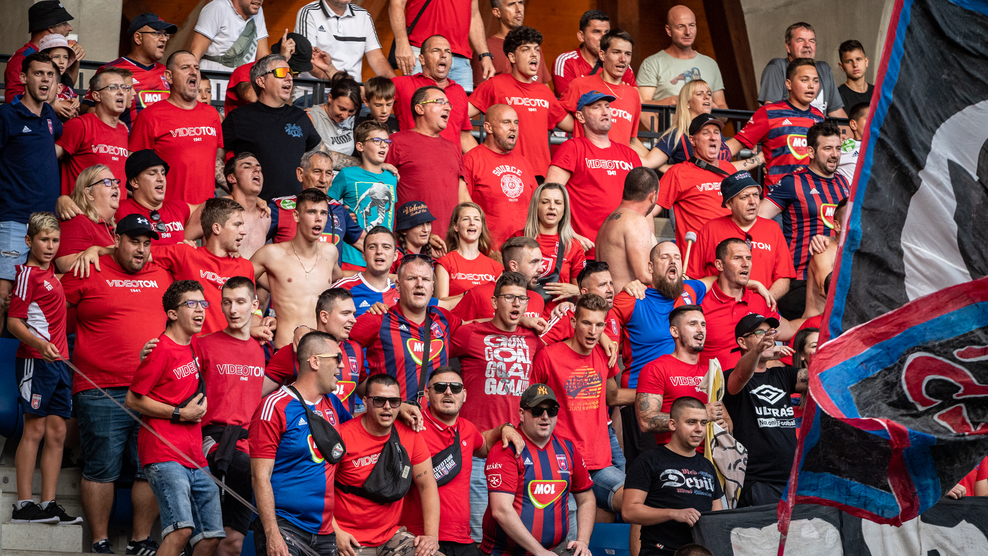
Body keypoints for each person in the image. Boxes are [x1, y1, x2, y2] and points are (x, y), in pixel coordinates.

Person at [62, 214, 171, 554]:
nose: (141, 249)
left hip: (152, 390)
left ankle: (140, 541)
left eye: (146, 243)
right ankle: (100, 541)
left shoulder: (162, 274)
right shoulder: (89, 268)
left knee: (151, 469)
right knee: (101, 469)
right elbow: (49, 304)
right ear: (117, 241)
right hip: (100, 388)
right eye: (134, 242)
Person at [126, 281, 224, 556]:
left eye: (203, 303)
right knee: (181, 531)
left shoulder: (194, 345)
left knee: (211, 537)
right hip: (164, 452)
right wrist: (180, 413)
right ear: (172, 313)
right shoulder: (160, 350)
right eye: (191, 304)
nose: (200, 309)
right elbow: (132, 400)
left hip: (194, 454)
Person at [450, 271, 544, 541]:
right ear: (494, 302)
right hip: (479, 450)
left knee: (519, 534)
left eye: (522, 299)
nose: (516, 304)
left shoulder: (534, 340)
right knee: (480, 534)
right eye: (509, 298)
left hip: (519, 452)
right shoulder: (469, 334)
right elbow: (433, 350)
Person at [175, 276, 264, 556]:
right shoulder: (203, 345)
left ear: (255, 304)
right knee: (207, 539)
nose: (233, 310)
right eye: (227, 302)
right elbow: (174, 380)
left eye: (240, 302)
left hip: (248, 444)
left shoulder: (262, 350)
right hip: (213, 442)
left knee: (233, 544)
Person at [402, 367, 525, 556]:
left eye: (456, 388)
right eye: (440, 387)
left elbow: (485, 444)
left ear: (464, 394)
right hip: (420, 538)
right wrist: (399, 408)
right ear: (427, 394)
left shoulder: (468, 429)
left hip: (462, 540)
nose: (448, 392)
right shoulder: (411, 425)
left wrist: (505, 428)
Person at [249, 331, 350, 556]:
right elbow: (260, 476)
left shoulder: (333, 403)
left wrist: (399, 406)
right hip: (285, 526)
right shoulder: (274, 406)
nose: (342, 366)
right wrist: (272, 534)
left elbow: (363, 429)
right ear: (315, 361)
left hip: (324, 530)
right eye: (337, 358)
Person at [8, 212, 79, 525]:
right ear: (29, 241)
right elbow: (14, 322)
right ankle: (23, 505)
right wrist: (39, 345)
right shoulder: (27, 275)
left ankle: (48, 503)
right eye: (44, 240)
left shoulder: (51, 274)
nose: (50, 246)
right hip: (35, 361)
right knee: (34, 429)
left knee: (58, 431)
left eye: (55, 240)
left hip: (59, 363)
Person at [530, 294, 626, 516]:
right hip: (560, 462)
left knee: (637, 502)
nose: (593, 331)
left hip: (598, 462)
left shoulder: (604, 354)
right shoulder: (548, 356)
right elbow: (529, 405)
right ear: (573, 322)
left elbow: (612, 396)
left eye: (599, 325)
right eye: (586, 323)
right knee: (568, 526)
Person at [481, 383, 594, 556]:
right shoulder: (506, 449)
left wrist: (583, 541)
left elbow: (586, 498)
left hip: (556, 549)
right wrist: (539, 552)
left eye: (551, 411)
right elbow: (501, 510)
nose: (545, 416)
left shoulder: (568, 449)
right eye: (537, 410)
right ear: (521, 414)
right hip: (504, 553)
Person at [333, 374, 440, 556]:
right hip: (347, 539)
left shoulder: (410, 435)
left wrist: (431, 536)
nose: (387, 407)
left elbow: (427, 485)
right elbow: (318, 488)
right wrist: (335, 532)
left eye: (394, 401)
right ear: (365, 402)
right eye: (379, 400)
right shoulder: (343, 436)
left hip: (390, 537)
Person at [759, 121, 850, 319]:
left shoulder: (843, 182)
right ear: (811, 151)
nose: (834, 154)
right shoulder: (792, 182)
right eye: (827, 148)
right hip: (800, 281)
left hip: (837, 277)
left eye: (837, 148)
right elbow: (757, 218)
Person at [0, 53, 62, 328]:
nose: (45, 79)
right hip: (14, 218)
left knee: (33, 297)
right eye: (38, 73)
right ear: (24, 78)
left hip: (46, 222)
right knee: (3, 295)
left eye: (49, 74)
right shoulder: (7, 115)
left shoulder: (49, 115)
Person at [349, 255, 463, 401]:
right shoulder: (378, 318)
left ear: (432, 287)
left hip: (435, 415)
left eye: (426, 279)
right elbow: (339, 344)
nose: (420, 284)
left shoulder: (442, 317)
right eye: (411, 278)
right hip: (391, 414)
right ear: (397, 285)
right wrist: (368, 390)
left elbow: (480, 329)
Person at [544, 91, 642, 257]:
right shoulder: (572, 148)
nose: (605, 112)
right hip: (585, 250)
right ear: (580, 117)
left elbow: (643, 204)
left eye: (607, 106)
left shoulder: (629, 154)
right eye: (596, 107)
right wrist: (569, 234)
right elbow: (548, 196)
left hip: (623, 251)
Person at [622, 396, 724, 556]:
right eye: (691, 422)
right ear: (672, 424)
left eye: (703, 423)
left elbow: (717, 516)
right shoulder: (648, 460)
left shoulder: (707, 465)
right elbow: (629, 511)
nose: (699, 429)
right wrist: (673, 513)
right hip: (659, 551)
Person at [723, 314, 806, 507]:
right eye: (760, 333)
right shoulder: (730, 376)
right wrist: (758, 350)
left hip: (792, 480)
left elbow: (820, 377)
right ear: (742, 342)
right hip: (758, 482)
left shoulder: (782, 374)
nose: (769, 338)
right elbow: (741, 374)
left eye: (771, 332)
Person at [468, 27, 573, 178]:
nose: (534, 54)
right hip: (505, 171)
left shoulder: (544, 92)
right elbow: (459, 115)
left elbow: (573, 125)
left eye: (536, 50)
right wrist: (478, 153)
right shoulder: (494, 85)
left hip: (541, 175)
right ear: (512, 57)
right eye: (526, 49)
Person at [222, 54, 328, 201]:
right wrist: (238, 192)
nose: (289, 78)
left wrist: (358, 162)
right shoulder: (239, 117)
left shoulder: (299, 116)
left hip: (296, 208)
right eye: (281, 72)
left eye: (290, 73)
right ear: (261, 81)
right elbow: (213, 159)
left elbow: (323, 154)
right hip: (257, 209)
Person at [149, 198, 257, 337]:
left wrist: (262, 324)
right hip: (194, 348)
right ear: (216, 228)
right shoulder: (186, 253)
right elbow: (136, 254)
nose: (244, 231)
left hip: (234, 347)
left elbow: (253, 311)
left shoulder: (245, 266)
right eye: (237, 225)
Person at [252, 188, 343, 349]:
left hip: (321, 349)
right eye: (311, 212)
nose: (318, 218)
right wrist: (255, 317)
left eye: (323, 213)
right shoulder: (272, 254)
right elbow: (236, 282)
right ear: (296, 216)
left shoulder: (330, 252)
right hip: (286, 347)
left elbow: (340, 278)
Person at [130, 50, 223, 205]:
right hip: (169, 211)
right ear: (169, 76)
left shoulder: (212, 115)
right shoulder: (150, 116)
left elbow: (213, 161)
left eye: (197, 68)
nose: (193, 72)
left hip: (206, 211)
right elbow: (134, 168)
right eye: (185, 67)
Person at [634, 305, 731, 450]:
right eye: (692, 324)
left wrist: (725, 426)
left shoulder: (710, 371)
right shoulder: (656, 368)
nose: (700, 329)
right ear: (675, 331)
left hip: (711, 456)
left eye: (703, 324)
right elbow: (646, 421)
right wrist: (702, 414)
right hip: (674, 456)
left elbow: (726, 418)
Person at [689, 171, 795, 301]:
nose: (752, 202)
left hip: (762, 308)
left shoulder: (773, 228)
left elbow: (783, 278)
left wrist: (762, 304)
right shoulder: (710, 228)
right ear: (729, 204)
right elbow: (694, 277)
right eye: (744, 197)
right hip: (719, 307)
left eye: (755, 195)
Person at [725, 58, 825, 190]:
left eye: (815, 81)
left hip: (811, 195)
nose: (811, 85)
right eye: (804, 80)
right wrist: (708, 161)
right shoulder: (769, 112)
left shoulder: (819, 117)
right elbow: (731, 147)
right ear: (788, 84)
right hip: (777, 198)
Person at [699, 238, 797, 371]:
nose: (745, 264)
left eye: (749, 258)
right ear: (719, 265)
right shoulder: (700, 302)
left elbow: (790, 329)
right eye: (737, 258)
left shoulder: (758, 300)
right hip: (714, 381)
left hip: (754, 381)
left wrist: (826, 319)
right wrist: (755, 283)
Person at [262, 288, 363, 417]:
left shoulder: (355, 350)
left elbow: (370, 394)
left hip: (342, 429)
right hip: (302, 428)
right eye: (346, 313)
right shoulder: (293, 351)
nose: (353, 320)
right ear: (324, 316)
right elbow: (255, 396)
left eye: (353, 314)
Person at [460, 105, 537, 250]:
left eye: (516, 122)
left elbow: (537, 208)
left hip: (524, 252)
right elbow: (463, 209)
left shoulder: (524, 163)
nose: (513, 128)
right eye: (506, 122)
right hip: (487, 252)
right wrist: (484, 249)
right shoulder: (470, 160)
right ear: (488, 127)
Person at [386, 86, 464, 229]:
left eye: (448, 104)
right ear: (420, 109)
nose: (447, 108)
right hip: (412, 237)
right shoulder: (396, 141)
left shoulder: (453, 147)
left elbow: (462, 195)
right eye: (440, 102)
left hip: (449, 238)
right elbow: (380, 186)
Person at [657, 114, 736, 253]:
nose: (713, 137)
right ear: (692, 140)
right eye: (706, 133)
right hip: (698, 257)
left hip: (732, 253)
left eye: (716, 132)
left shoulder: (729, 169)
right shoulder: (678, 172)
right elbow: (649, 211)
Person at [82, 13, 177, 126]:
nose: (164, 39)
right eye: (157, 33)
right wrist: (114, 124)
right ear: (138, 38)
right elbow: (86, 109)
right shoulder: (112, 71)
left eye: (165, 35)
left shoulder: (168, 72)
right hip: (129, 135)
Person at [560, 29, 645, 153]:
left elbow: (631, 139)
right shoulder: (579, 85)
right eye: (616, 52)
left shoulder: (633, 94)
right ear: (602, 55)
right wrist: (579, 126)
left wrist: (660, 161)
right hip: (588, 161)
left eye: (628, 54)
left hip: (620, 163)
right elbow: (557, 116)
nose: (623, 59)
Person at [642, 80, 754, 173]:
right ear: (687, 102)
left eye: (709, 94)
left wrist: (758, 158)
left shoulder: (715, 131)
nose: (707, 97)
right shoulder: (677, 134)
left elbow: (724, 165)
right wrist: (666, 168)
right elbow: (648, 162)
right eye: (700, 94)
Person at [267, 150, 364, 257]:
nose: (323, 180)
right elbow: (253, 242)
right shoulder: (279, 207)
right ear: (300, 174)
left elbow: (367, 243)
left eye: (328, 173)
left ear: (332, 179)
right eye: (317, 171)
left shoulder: (338, 210)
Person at [329, 121, 398, 270]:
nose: (384, 145)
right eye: (377, 141)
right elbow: (326, 205)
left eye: (386, 141)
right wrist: (342, 215)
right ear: (360, 146)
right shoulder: (347, 174)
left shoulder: (391, 178)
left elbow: (390, 213)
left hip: (383, 258)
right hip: (352, 256)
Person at [392, 35, 477, 153]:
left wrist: (483, 162)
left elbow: (465, 137)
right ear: (422, 59)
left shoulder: (458, 91)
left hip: (451, 163)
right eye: (436, 51)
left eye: (448, 52)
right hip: (414, 159)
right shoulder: (402, 84)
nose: (443, 55)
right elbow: (372, 97)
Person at [389, 0, 495, 90]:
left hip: (461, 60)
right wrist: (401, 42)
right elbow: (396, 4)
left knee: (460, 107)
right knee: (421, 105)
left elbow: (473, 16)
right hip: (421, 54)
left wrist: (485, 55)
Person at [56, 68, 131, 197]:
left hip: (116, 209)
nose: (121, 92)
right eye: (113, 87)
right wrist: (61, 200)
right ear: (96, 96)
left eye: (124, 87)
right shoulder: (79, 125)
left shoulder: (123, 130)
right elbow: (46, 160)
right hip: (83, 208)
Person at [637, 6, 726, 109]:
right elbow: (642, 107)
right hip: (670, 120)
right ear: (669, 30)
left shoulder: (710, 64)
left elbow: (722, 107)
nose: (688, 32)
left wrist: (714, 108)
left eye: (691, 25)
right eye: (681, 26)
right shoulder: (652, 63)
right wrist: (668, 102)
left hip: (705, 120)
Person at [115, 150, 206, 246]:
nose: (161, 178)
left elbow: (213, 208)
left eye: (163, 173)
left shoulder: (177, 207)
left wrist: (186, 247)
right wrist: (176, 249)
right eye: (152, 173)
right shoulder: (119, 209)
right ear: (134, 182)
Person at [756, 22, 847, 119]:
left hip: (819, 128)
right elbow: (771, 112)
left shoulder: (824, 68)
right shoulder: (777, 67)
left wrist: (852, 129)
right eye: (800, 40)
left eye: (811, 41)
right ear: (788, 47)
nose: (807, 45)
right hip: (790, 128)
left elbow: (836, 112)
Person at [513, 183, 585, 302]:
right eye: (545, 202)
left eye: (558, 202)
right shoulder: (518, 238)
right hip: (524, 309)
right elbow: (502, 283)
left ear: (564, 209)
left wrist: (577, 291)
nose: (552, 207)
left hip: (560, 311)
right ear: (536, 206)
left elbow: (585, 295)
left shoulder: (573, 245)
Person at [294, 0, 396, 80]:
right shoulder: (309, 13)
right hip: (315, 92)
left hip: (353, 94)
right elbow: (308, 60)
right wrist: (344, 85)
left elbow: (377, 59)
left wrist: (399, 87)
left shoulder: (363, 15)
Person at [596, 167, 660, 292]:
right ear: (652, 196)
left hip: (611, 299)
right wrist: (676, 281)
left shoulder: (610, 219)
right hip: (627, 301)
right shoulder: (636, 221)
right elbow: (644, 275)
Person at [452, 239, 547, 321]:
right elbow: (452, 327)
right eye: (534, 262)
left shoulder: (538, 300)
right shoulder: (479, 294)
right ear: (514, 266)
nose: (541, 269)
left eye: (540, 262)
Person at [4, 1, 81, 101]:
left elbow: (67, 88)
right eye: (64, 23)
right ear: (51, 27)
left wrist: (76, 58)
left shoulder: (57, 54)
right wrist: (52, 105)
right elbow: (12, 99)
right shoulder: (22, 57)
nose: (70, 28)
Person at [553, 10, 637, 97]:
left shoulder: (620, 62)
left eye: (606, 33)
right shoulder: (566, 62)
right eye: (596, 32)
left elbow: (637, 98)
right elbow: (570, 100)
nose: (603, 38)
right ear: (581, 36)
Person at [54, 165, 119, 274]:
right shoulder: (76, 221)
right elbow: (66, 265)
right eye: (107, 182)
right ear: (89, 193)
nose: (115, 186)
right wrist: (114, 253)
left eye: (115, 181)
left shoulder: (110, 227)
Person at [472, 0, 550, 86]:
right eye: (511, 4)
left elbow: (545, 87)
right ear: (497, 12)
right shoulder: (485, 50)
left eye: (520, 3)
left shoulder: (533, 46)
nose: (519, 9)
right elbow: (479, 91)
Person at [435, 203, 503, 298]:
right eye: (466, 219)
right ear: (456, 226)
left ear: (482, 227)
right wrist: (473, 295)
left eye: (477, 219)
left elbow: (500, 303)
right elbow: (441, 302)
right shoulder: (445, 262)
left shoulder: (496, 267)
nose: (472, 223)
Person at [333, 227, 400, 315]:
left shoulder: (402, 291)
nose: (379, 251)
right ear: (364, 255)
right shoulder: (342, 289)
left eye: (386, 247)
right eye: (372, 247)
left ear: (395, 255)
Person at [191, 0, 270, 73]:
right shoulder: (217, 7)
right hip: (213, 81)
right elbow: (196, 53)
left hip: (242, 82)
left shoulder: (257, 11)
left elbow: (263, 57)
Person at [803, 198, 846, 318]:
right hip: (817, 323)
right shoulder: (823, 249)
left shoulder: (863, 250)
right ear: (837, 225)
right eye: (850, 220)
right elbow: (827, 290)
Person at [222, 153, 271, 258]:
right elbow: (185, 242)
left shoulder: (265, 217)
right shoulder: (217, 207)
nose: (257, 170)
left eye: (259, 168)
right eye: (247, 167)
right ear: (232, 178)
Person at [308, 73, 362, 156]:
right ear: (330, 98)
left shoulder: (351, 116)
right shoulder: (313, 118)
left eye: (351, 111)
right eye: (341, 109)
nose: (345, 116)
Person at [38, 34, 80, 122]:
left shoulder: (66, 80)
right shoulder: (38, 80)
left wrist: (74, 103)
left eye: (65, 57)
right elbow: (31, 103)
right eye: (56, 57)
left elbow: (72, 99)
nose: (62, 62)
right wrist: (52, 106)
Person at [393, 201, 444, 272]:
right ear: (403, 230)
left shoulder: (431, 255)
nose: (426, 230)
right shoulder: (394, 254)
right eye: (419, 224)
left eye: (428, 223)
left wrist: (441, 261)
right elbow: (379, 277)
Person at [837, 40, 873, 112]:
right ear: (841, 67)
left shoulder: (877, 93)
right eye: (849, 61)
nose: (855, 65)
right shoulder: (837, 96)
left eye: (858, 59)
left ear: (866, 61)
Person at [837, 102, 869, 183]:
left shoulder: (884, 147)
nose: (874, 123)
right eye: (869, 118)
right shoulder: (843, 145)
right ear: (853, 124)